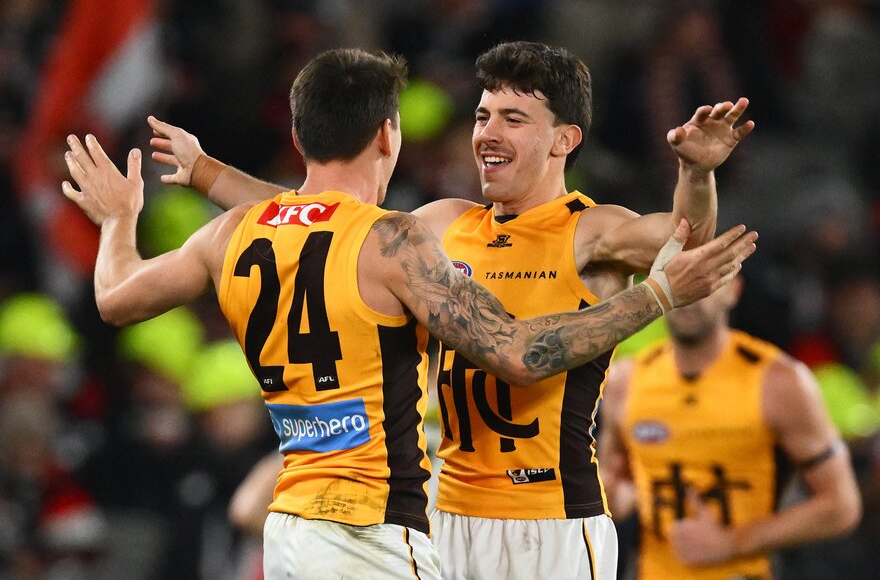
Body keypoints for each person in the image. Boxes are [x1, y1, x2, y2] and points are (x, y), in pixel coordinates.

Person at [62, 47, 755, 580]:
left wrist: (696, 174)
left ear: (564, 139)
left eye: (512, 119)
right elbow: (324, 225)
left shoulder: (594, 229)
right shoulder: (439, 223)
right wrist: (208, 173)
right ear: (388, 136)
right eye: (482, 116)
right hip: (440, 513)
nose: (487, 132)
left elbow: (686, 245)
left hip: (547, 516)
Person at [599, 276, 862, 580]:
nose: (689, 295)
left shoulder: (779, 382)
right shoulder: (624, 382)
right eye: (677, 278)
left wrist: (732, 542)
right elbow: (620, 489)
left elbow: (841, 506)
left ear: (734, 290)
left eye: (705, 280)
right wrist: (611, 496)